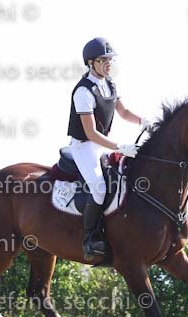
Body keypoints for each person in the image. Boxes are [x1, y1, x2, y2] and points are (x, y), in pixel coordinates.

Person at [67, 37, 152, 261]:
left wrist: (143, 121)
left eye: (110, 60)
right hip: (84, 147)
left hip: (101, 144)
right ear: (91, 63)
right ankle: (90, 239)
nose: (108, 64)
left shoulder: (110, 84)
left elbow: (123, 112)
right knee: (99, 188)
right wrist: (120, 147)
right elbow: (90, 133)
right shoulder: (83, 92)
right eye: (103, 60)